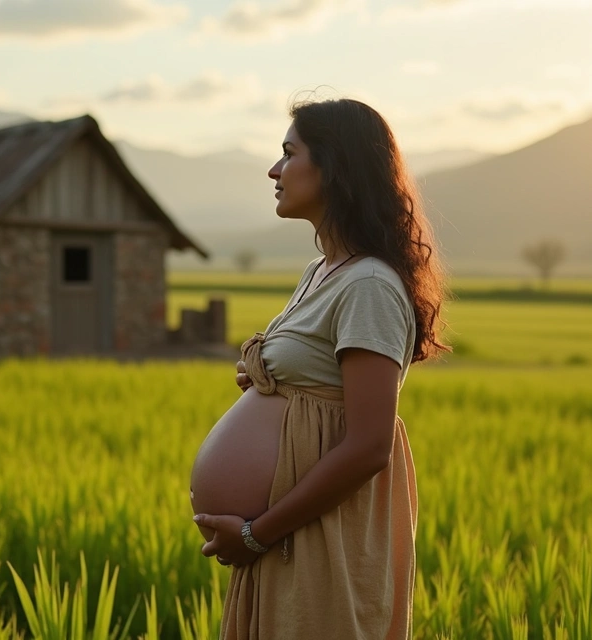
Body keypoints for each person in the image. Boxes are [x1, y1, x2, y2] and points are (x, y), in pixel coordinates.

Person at [190, 97, 448, 639]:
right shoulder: (320, 271)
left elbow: (369, 446)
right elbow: (318, 382)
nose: (274, 170)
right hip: (289, 535)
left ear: (334, 167)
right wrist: (270, 386)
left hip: (316, 537)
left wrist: (258, 533)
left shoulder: (369, 285)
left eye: (289, 154)